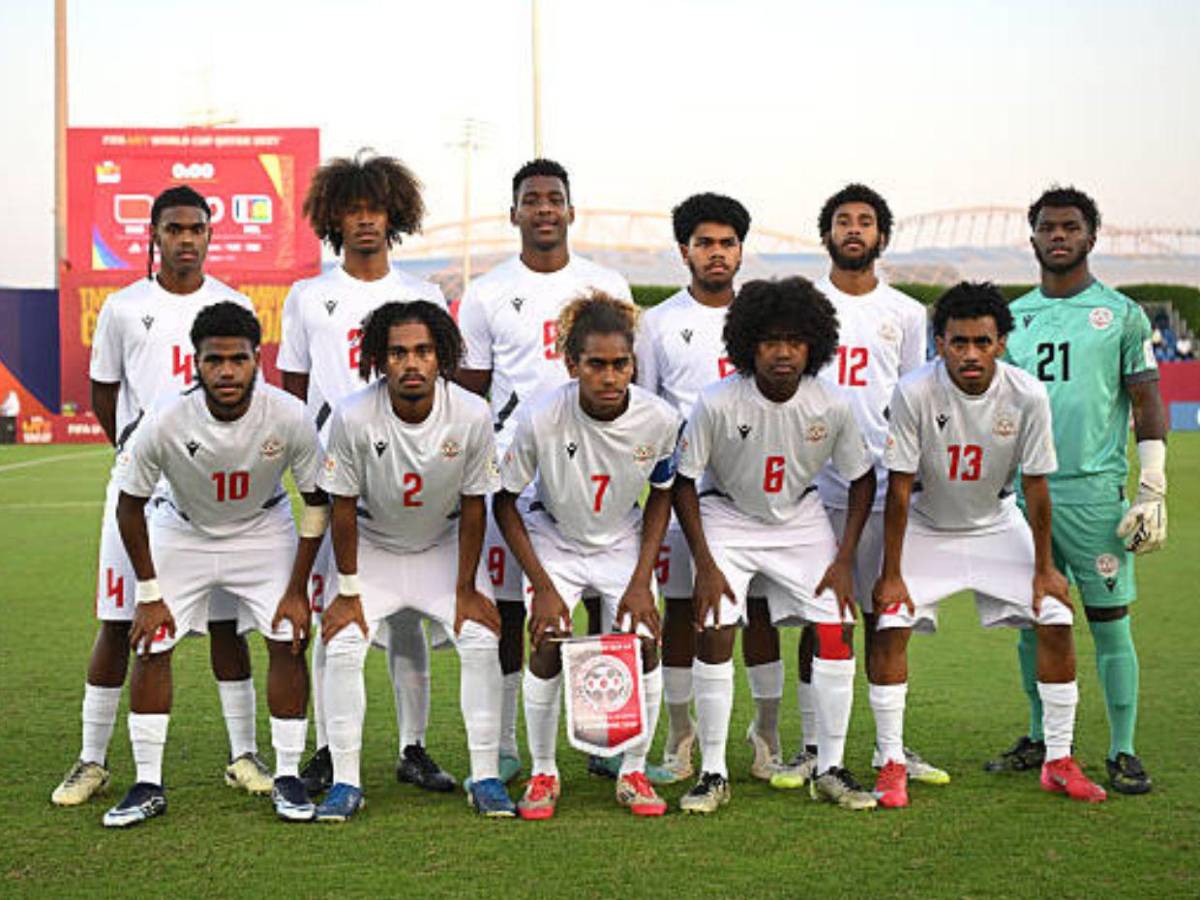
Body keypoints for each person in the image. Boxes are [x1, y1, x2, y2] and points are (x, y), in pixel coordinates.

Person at [53, 186, 272, 808]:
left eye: (196, 228)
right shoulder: (124, 308)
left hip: (215, 494)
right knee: (118, 620)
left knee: (228, 626)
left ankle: (244, 755)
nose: (186, 239)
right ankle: (92, 760)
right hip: (143, 493)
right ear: (153, 235)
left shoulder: (232, 303)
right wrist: (132, 451)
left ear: (210, 234)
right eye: (174, 229)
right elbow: (104, 392)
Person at [869, 282, 1106, 808]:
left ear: (1001, 342)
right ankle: (890, 761)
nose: (971, 354)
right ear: (940, 343)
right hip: (928, 525)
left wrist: (1045, 568)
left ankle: (1059, 760)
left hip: (997, 522)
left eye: (982, 341)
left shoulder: (1027, 394)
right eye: (959, 342)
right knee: (890, 625)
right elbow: (899, 489)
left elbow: (1036, 487)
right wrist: (892, 573)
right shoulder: (913, 391)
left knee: (1056, 617)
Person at [102, 302, 327, 826]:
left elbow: (318, 502)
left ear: (256, 361)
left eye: (238, 359)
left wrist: (298, 588)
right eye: (214, 360)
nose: (227, 371)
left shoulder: (288, 414)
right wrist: (149, 594)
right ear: (196, 363)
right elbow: (129, 506)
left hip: (262, 530)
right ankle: (147, 783)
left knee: (289, 638)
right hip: (182, 530)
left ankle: (288, 775)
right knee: (152, 643)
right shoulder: (166, 417)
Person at [278, 151, 454, 796]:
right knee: (336, 612)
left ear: (394, 215)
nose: (365, 221)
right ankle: (329, 748)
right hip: (334, 478)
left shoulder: (424, 295)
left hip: (409, 475)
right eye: (352, 210)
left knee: (406, 617)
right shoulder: (308, 296)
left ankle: (414, 746)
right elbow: (293, 390)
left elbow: (440, 385)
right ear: (333, 219)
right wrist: (305, 469)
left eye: (375, 209)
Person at [457, 159, 633, 785]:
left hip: (595, 466)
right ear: (514, 214)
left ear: (570, 210)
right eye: (531, 200)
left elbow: (625, 373)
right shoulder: (486, 293)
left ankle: (603, 733)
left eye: (554, 198)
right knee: (515, 611)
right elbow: (471, 390)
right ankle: (509, 744)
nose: (544, 209)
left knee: (602, 603)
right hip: (517, 472)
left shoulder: (605, 284)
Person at [674, 277, 878, 813]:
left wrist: (843, 559)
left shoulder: (832, 404)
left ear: (814, 344)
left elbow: (862, 479)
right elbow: (683, 482)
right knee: (715, 626)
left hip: (801, 518)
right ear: (748, 344)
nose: (783, 352)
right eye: (769, 341)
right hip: (727, 515)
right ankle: (713, 772)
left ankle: (830, 766)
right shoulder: (717, 401)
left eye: (794, 340)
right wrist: (705, 565)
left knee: (837, 626)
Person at [990, 187, 1168, 795]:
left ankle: (1123, 749)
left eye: (1070, 227)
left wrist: (1152, 483)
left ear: (1092, 236)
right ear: (1033, 238)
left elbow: (1146, 400)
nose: (1059, 236)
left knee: (1109, 621)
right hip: (1022, 495)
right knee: (1034, 621)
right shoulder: (1012, 318)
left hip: (1092, 493)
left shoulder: (1121, 314)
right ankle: (1040, 736)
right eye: (1048, 227)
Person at [773, 184, 947, 791]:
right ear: (826, 235)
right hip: (816, 484)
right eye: (843, 220)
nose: (854, 229)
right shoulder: (803, 304)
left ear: (882, 236)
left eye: (865, 221)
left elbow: (914, 395)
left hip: (886, 484)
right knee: (822, 617)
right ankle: (811, 746)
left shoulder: (906, 312)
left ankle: (887, 748)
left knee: (884, 617)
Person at [314, 301, 513, 821]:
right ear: (379, 359)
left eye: (423, 351)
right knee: (342, 643)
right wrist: (348, 591)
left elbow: (476, 505)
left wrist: (466, 590)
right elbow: (341, 507)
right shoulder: (353, 415)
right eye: (398, 352)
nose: (411, 363)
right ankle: (345, 781)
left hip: (442, 547)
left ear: (441, 356)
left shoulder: (471, 413)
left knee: (480, 637)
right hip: (372, 547)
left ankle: (486, 776)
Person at [493, 294, 681, 820]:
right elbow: (504, 501)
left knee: (645, 641)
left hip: (621, 539)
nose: (610, 376)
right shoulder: (541, 417)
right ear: (571, 364)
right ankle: (544, 772)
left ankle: (633, 771)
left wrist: (642, 581)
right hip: (554, 537)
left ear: (633, 364)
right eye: (596, 364)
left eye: (621, 364)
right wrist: (543, 587)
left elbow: (662, 493)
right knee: (548, 640)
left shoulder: (660, 419)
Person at [634, 192, 785, 784]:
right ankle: (680, 736)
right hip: (683, 494)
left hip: (755, 494)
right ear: (684, 251)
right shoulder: (658, 322)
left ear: (741, 251)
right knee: (681, 612)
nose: (716, 253)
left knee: (759, 612)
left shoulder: (764, 318)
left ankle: (766, 734)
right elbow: (647, 406)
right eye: (704, 243)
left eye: (727, 243)